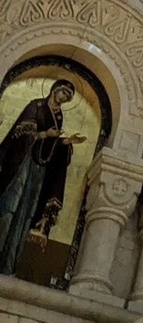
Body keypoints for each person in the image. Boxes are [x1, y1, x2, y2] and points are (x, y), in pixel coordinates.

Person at [0, 77, 86, 275]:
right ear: (55, 90)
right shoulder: (36, 106)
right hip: (22, 163)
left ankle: (9, 264)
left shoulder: (59, 116)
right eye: (63, 92)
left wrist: (66, 142)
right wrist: (44, 134)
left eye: (68, 96)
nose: (64, 97)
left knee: (26, 213)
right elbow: (22, 131)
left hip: (38, 170)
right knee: (10, 205)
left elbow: (50, 146)